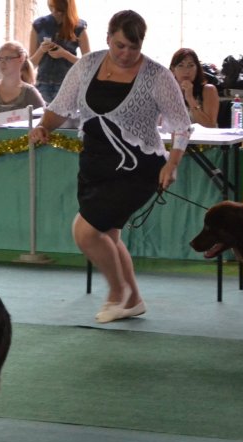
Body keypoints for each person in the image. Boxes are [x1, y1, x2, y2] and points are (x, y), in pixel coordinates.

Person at [28, 10, 191, 324]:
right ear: (107, 39)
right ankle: (134, 300)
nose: (126, 54)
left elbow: (181, 126)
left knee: (86, 232)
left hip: (140, 167)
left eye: (134, 47)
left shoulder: (157, 76)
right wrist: (44, 128)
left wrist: (172, 163)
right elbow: (60, 106)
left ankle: (118, 294)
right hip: (95, 166)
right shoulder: (86, 65)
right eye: (119, 46)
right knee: (109, 237)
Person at [28, 0, 90, 103]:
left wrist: (64, 54)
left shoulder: (79, 27)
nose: (55, 12)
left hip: (68, 85)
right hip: (43, 85)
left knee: (66, 118)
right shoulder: (39, 25)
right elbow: (31, 65)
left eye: (59, 9)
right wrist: (41, 50)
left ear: (67, 7)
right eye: (52, 7)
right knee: (43, 118)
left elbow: (88, 64)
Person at [169, 48, 219, 128]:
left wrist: (190, 98)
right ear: (172, 70)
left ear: (197, 69)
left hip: (203, 139)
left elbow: (210, 126)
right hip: (175, 139)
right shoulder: (167, 91)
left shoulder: (208, 90)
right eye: (180, 65)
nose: (186, 71)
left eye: (191, 65)